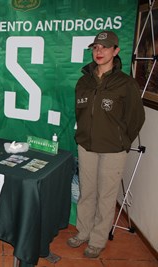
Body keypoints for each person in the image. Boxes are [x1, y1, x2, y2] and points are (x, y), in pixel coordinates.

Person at [67, 31, 145, 258]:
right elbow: (80, 114)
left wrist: (122, 141)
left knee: (106, 195)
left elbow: (136, 118)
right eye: (96, 47)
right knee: (86, 192)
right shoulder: (84, 81)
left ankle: (98, 239)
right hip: (87, 146)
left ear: (116, 51)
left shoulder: (125, 83)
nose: (99, 51)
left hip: (113, 150)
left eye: (105, 47)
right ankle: (83, 232)